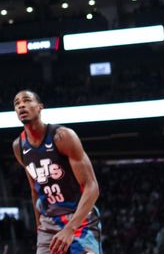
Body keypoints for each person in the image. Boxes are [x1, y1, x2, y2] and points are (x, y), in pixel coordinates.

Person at [12, 90, 102, 254]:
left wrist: (71, 228)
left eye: (26, 100)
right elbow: (35, 190)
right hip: (49, 220)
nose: (21, 105)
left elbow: (92, 186)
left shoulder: (62, 136)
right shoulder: (19, 146)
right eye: (17, 104)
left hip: (79, 217)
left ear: (40, 107)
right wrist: (39, 224)